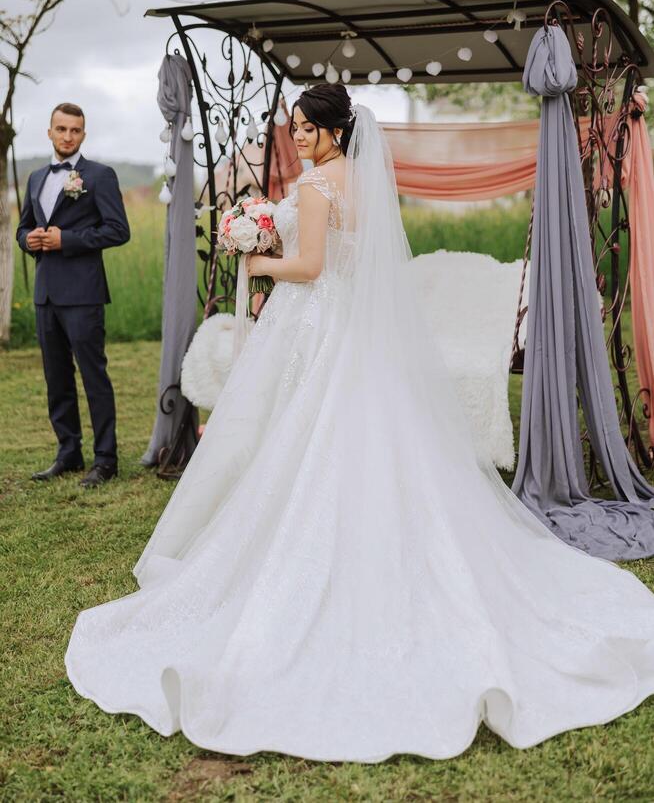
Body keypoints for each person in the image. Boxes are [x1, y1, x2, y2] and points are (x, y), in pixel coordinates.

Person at [65, 84, 654, 761]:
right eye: (297, 128)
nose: (301, 138)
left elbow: (311, 267)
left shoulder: (316, 183)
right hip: (351, 327)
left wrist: (256, 257)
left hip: (314, 324)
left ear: (336, 132)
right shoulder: (363, 182)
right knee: (348, 443)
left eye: (310, 128)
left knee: (303, 441)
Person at [16, 103, 130, 488]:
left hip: (83, 294)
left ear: (84, 134)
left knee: (93, 376)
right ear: (49, 132)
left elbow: (118, 230)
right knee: (56, 378)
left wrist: (68, 239)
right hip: (45, 294)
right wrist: (27, 240)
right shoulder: (35, 178)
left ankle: (105, 459)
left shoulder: (99, 176)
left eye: (75, 130)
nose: (68, 136)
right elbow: (24, 229)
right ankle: (68, 452)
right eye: (61, 129)